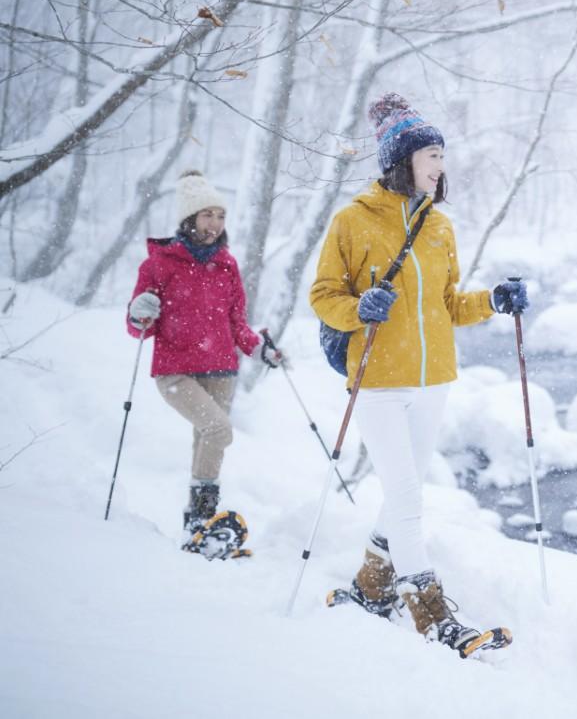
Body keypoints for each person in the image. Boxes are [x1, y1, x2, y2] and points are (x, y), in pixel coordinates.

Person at [311, 92, 527, 657]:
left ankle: (370, 589)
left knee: (402, 495)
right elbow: (324, 295)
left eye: (442, 155)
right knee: (406, 497)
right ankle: (431, 616)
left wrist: (494, 301)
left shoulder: (439, 227)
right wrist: (359, 309)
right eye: (432, 155)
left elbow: (448, 305)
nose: (440, 165)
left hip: (434, 381)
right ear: (402, 160)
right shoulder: (352, 222)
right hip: (379, 381)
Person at [126, 170, 284, 559]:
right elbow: (139, 327)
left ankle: (196, 528)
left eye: (220, 216)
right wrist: (138, 312)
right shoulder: (160, 264)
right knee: (218, 429)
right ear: (189, 218)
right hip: (175, 371)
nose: (215, 223)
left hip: (221, 368)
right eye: (207, 215)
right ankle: (200, 520)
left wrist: (260, 349)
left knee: (206, 440)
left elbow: (236, 323)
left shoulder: (227, 265)